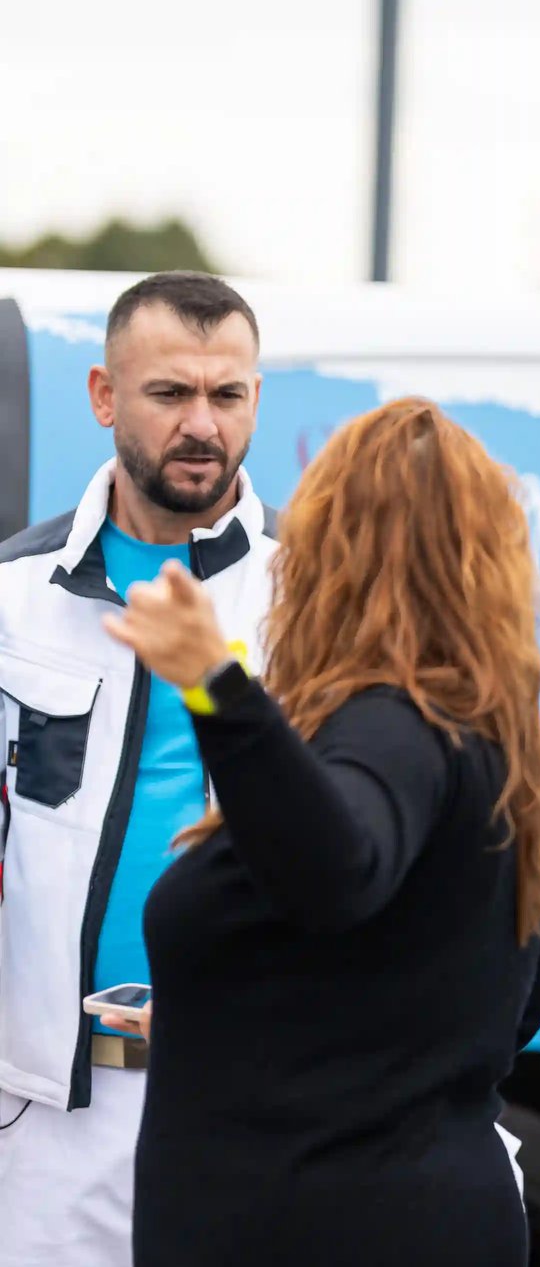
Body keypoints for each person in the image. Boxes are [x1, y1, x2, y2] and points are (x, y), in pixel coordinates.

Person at [95, 397, 540, 1267]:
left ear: (334, 555)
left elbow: (336, 868)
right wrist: (225, 1013)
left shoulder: (390, 725)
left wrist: (214, 683)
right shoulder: (493, 739)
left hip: (328, 1219)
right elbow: (495, 1004)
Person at [0, 271, 276, 1266]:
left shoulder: (316, 596)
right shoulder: (11, 598)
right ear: (104, 396)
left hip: (253, 1102)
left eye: (227, 395)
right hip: (46, 1111)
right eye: (170, 394)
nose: (201, 424)